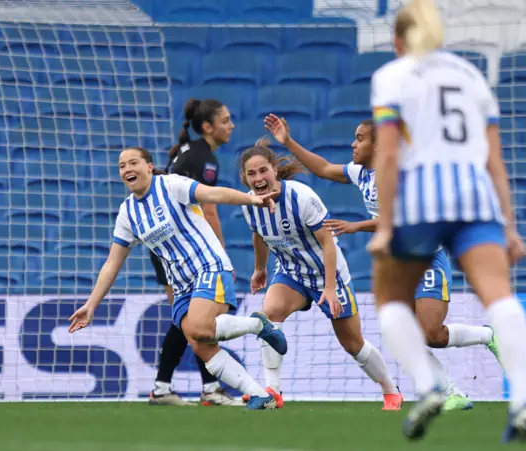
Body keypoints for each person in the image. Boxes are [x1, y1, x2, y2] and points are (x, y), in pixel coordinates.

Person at [367, 0, 526, 442]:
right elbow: (494, 161)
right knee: (499, 297)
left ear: (397, 40)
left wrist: (386, 225)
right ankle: (521, 399)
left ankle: (427, 387)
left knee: (388, 301)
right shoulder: (472, 76)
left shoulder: (391, 77)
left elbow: (386, 156)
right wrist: (510, 226)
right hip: (476, 199)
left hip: (421, 201)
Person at [263, 114, 502, 411]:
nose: (353, 144)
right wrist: (288, 142)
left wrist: (357, 226)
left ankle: (487, 335)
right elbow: (323, 168)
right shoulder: (362, 173)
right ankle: (451, 392)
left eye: (360, 139)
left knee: (431, 334)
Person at [68, 146, 287, 411]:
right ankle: (259, 395)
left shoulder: (171, 185)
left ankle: (258, 325)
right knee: (201, 346)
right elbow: (112, 263)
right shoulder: (127, 213)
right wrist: (91, 305)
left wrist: (250, 199)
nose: (127, 169)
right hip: (180, 284)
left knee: (198, 328)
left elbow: (212, 194)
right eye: (122, 166)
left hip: (209, 266)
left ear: (149, 166)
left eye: (133, 162)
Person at [238, 137, 404, 411]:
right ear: (245, 178)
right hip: (291, 273)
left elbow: (327, 242)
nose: (258, 178)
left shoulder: (301, 197)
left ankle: (390, 390)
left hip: (328, 274)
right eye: (251, 173)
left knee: (353, 344)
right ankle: (273, 391)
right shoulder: (248, 205)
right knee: (270, 315)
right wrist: (259, 268)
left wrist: (328, 288)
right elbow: (258, 234)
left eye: (263, 170)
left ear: (274, 170)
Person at [148, 98, 243, 406]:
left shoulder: (193, 152)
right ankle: (200, 388)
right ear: (208, 127)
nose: (232, 125)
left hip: (168, 243)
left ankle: (191, 387)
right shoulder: (205, 159)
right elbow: (210, 209)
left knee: (190, 317)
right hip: (178, 247)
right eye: (226, 120)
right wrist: (221, 256)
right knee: (191, 318)